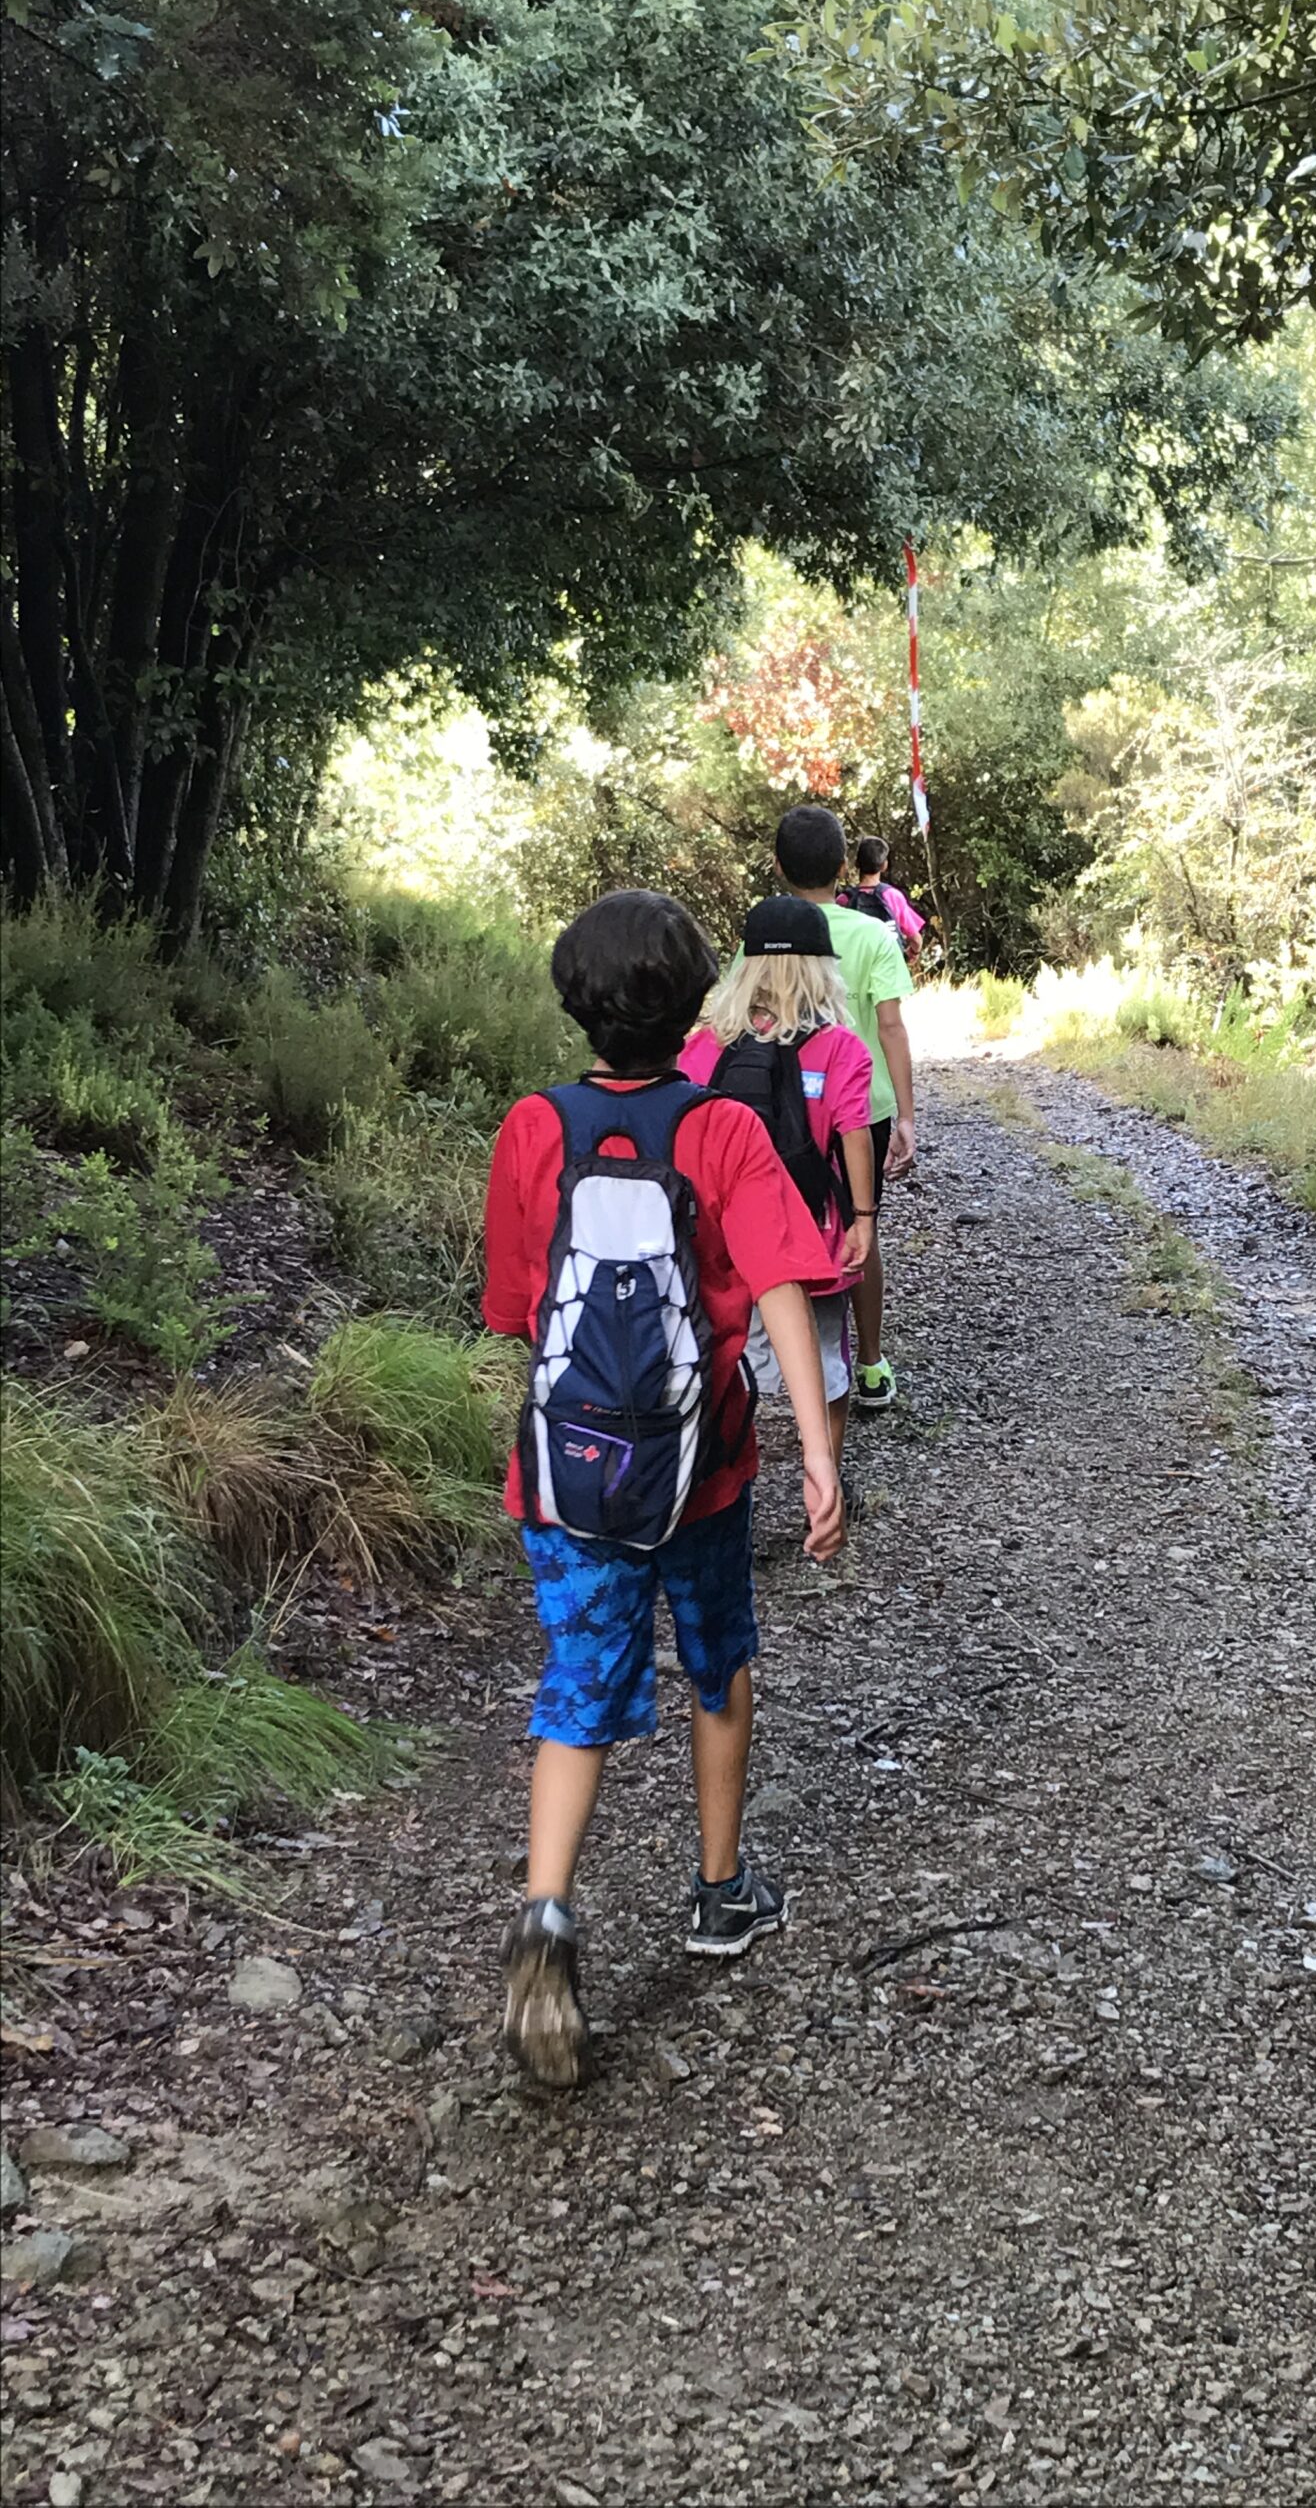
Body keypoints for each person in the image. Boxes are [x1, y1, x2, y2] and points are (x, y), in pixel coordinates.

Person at [482, 889, 847, 2089]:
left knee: (579, 1682)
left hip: (571, 1476)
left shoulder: (533, 1125)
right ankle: (719, 1892)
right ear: (698, 1006)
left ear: (575, 1006)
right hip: (705, 1468)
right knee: (718, 1658)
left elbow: (516, 1311)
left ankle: (545, 1916)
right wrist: (819, 1451)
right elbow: (784, 1287)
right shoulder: (724, 1129)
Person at [681, 896, 876, 1471]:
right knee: (825, 1354)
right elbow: (854, 1135)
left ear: (746, 967)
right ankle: (825, 1476)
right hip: (811, 1232)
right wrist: (863, 1220)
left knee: (726, 1351)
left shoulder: (703, 1048)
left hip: (723, 1236)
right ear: (821, 969)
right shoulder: (840, 1048)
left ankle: (723, 1471)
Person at [773, 805, 915, 1412]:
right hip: (863, 1106)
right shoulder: (872, 935)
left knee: (786, 1224)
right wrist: (906, 1115)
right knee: (862, 1225)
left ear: (778, 866)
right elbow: (891, 1027)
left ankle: (796, 1362)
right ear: (842, 867)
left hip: (782, 1107)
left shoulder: (764, 936)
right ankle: (871, 1364)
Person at [841, 834, 928, 970]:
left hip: (855, 971)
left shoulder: (844, 900)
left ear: (857, 863)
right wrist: (912, 953)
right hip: (888, 972)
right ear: (884, 865)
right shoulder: (892, 896)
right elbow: (916, 940)